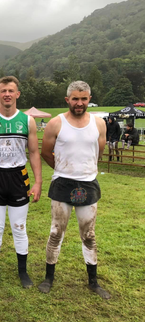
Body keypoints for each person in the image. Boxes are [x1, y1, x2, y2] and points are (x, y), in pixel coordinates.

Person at [39, 81, 110, 299]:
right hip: (62, 184)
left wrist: (84, 172)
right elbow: (46, 152)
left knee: (88, 234)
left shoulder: (99, 124)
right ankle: (48, 277)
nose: (79, 103)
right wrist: (63, 170)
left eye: (84, 98)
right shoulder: (55, 123)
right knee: (55, 233)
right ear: (67, 99)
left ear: (89, 99)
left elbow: (98, 151)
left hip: (88, 184)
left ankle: (93, 281)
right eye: (75, 99)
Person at [0, 76, 42, 288]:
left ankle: (23, 272)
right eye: (3, 91)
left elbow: (34, 153)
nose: (7, 94)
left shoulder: (27, 121)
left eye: (11, 91)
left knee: (19, 227)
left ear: (17, 94)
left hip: (18, 177)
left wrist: (38, 182)